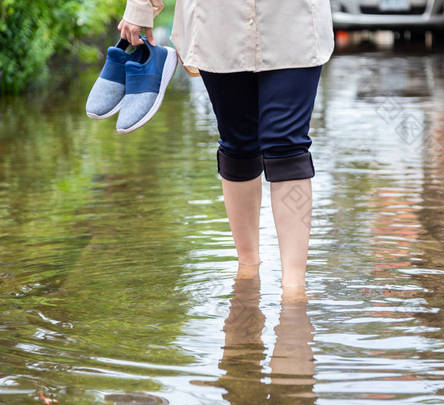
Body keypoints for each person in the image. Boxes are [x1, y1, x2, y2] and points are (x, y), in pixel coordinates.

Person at [118, 1, 335, 294]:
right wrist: (141, 6)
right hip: (217, 22)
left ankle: (294, 287)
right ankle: (247, 268)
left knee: (287, 145)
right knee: (238, 142)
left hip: (292, 20)